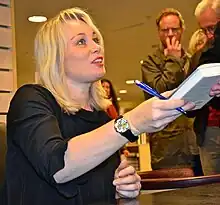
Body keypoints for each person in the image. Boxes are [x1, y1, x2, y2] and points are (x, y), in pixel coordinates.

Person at [2, 7, 195, 205]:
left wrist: (123, 188)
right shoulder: (30, 100)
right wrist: (132, 122)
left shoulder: (100, 116)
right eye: (81, 41)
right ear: (56, 57)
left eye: (95, 39)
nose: (96, 47)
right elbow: (57, 166)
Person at [141, 8, 199, 171]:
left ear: (182, 30)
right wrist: (173, 59)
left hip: (195, 144)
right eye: (165, 30)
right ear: (159, 32)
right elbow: (159, 94)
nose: (170, 34)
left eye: (175, 29)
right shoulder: (150, 63)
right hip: (166, 147)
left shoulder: (191, 60)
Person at [187, 0, 220, 175]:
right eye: (204, 29)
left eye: (212, 28)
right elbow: (188, 101)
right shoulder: (198, 57)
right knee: (212, 192)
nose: (208, 35)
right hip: (208, 132)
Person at [101, 78, 130, 158]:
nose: (105, 89)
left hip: (113, 143)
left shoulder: (112, 106)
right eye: (103, 86)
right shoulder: (95, 106)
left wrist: (123, 148)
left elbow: (117, 124)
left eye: (108, 87)